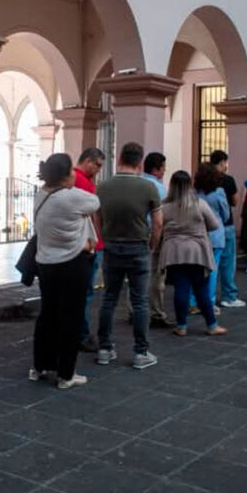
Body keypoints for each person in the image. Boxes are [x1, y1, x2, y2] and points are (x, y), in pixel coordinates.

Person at [30, 153, 99, 389]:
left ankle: (40, 365)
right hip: (72, 264)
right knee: (71, 318)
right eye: (71, 172)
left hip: (45, 264)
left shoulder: (41, 194)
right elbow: (95, 202)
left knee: (47, 315)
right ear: (65, 176)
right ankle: (66, 374)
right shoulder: (70, 197)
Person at [95, 142, 163, 370]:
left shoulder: (103, 187)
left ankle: (104, 349)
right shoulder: (148, 187)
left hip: (112, 247)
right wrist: (152, 245)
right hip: (138, 247)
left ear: (120, 159)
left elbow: (97, 219)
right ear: (140, 162)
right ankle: (141, 352)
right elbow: (158, 223)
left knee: (109, 298)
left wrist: (104, 239)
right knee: (140, 301)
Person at [160, 171, 227, 337]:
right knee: (201, 288)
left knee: (181, 288)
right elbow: (214, 224)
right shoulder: (199, 204)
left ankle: (181, 326)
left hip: (174, 251)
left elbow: (157, 226)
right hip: (197, 251)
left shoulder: (165, 206)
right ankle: (211, 325)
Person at [72, 148, 105, 353]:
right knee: (84, 293)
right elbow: (93, 214)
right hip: (87, 245)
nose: (99, 170)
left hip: (81, 244)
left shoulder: (75, 179)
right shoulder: (81, 181)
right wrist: (97, 240)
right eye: (98, 165)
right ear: (88, 161)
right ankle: (82, 335)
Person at [209, 150, 245, 308]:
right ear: (222, 162)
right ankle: (228, 296)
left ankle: (205, 296)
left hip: (206, 226)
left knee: (209, 263)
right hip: (225, 225)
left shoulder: (203, 179)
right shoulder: (227, 180)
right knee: (227, 262)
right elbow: (235, 201)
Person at [142, 152, 173, 328]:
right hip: (154, 233)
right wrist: (157, 239)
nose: (164, 171)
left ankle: (134, 310)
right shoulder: (159, 188)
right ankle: (157, 312)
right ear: (156, 169)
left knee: (137, 274)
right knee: (157, 274)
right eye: (163, 168)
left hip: (137, 233)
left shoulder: (138, 183)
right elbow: (161, 217)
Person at [192, 163, 230, 311]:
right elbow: (226, 214)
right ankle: (209, 302)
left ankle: (193, 301)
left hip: (197, 234)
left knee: (196, 269)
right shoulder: (219, 192)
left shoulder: (194, 192)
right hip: (216, 235)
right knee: (212, 270)